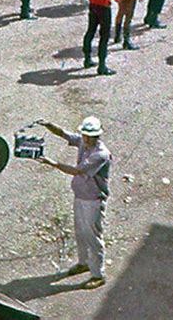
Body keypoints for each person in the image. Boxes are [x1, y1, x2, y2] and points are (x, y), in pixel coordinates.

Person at [36, 116, 112, 290]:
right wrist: (49, 124)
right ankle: (83, 263)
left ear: (97, 136)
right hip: (80, 195)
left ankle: (98, 274)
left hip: (93, 199)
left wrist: (52, 163)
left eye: (89, 136)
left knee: (93, 236)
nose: (85, 138)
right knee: (80, 232)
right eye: (84, 135)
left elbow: (77, 170)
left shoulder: (100, 154)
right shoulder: (84, 143)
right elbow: (64, 134)